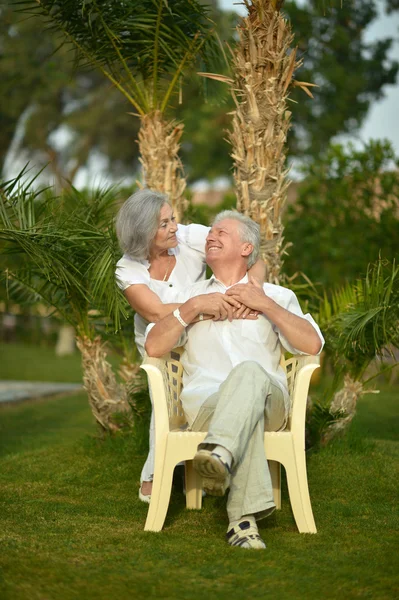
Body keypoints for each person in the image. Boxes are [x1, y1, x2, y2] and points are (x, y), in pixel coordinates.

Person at [145, 210, 324, 550]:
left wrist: (266, 306)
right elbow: (154, 345)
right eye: (210, 232)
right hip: (208, 407)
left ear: (246, 248)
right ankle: (240, 517)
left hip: (269, 399)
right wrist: (193, 307)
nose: (211, 236)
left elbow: (312, 343)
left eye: (221, 232)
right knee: (246, 412)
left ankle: (221, 454)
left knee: (249, 372)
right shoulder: (191, 297)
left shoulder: (275, 295)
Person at [115, 190, 266, 502]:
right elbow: (155, 312)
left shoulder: (187, 237)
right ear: (144, 233)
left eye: (173, 219)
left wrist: (255, 288)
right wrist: (199, 304)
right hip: (160, 339)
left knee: (208, 385)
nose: (174, 227)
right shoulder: (127, 268)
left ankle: (200, 466)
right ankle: (157, 473)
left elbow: (251, 256)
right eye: (164, 224)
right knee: (165, 403)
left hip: (202, 331)